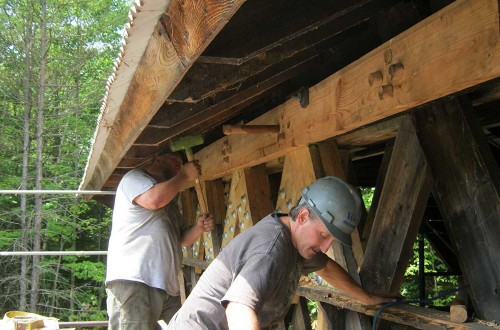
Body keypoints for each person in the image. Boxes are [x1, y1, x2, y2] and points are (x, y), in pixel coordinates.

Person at [167, 176, 400, 329]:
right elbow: (239, 308)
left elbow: (327, 267)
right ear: (302, 216)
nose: (327, 247)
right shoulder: (272, 251)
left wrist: (366, 297)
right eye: (324, 235)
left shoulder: (297, 241)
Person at [105, 150, 215, 330]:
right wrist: (185, 175)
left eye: (181, 162)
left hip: (166, 286)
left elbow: (181, 239)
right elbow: (153, 200)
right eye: (174, 159)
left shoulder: (170, 200)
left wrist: (199, 228)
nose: (179, 163)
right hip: (135, 281)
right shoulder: (134, 178)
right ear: (157, 158)